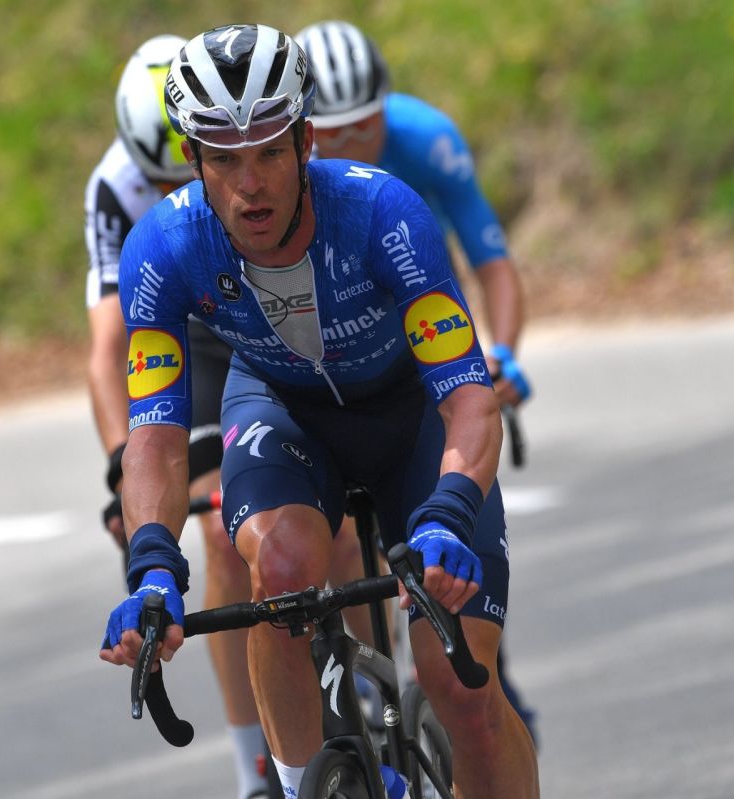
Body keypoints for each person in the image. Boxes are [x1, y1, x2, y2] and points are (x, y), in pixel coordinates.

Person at [99, 24, 539, 799]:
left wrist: (448, 510)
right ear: (193, 159)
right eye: (224, 158)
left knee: (463, 692)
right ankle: (301, 784)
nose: (250, 184)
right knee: (279, 575)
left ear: (306, 142)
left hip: (411, 417)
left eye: (269, 151)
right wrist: (153, 566)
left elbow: (469, 397)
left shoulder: (383, 214)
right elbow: (156, 439)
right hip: (285, 413)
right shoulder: (162, 250)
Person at [296, 18, 538, 743]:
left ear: (388, 109)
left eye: (365, 125)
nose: (349, 142)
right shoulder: (285, 176)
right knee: (338, 538)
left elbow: (491, 260)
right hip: (340, 354)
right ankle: (370, 688)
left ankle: (480, 678)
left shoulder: (427, 138)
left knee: (451, 554)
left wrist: (503, 354)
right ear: (303, 133)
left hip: (427, 337)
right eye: (331, 132)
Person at [85, 35, 270, 798]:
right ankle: (253, 763)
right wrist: (118, 473)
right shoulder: (114, 186)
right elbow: (109, 349)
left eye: (190, 173)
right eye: (161, 181)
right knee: (222, 533)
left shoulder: (253, 156)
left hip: (269, 312)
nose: (181, 196)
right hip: (185, 331)